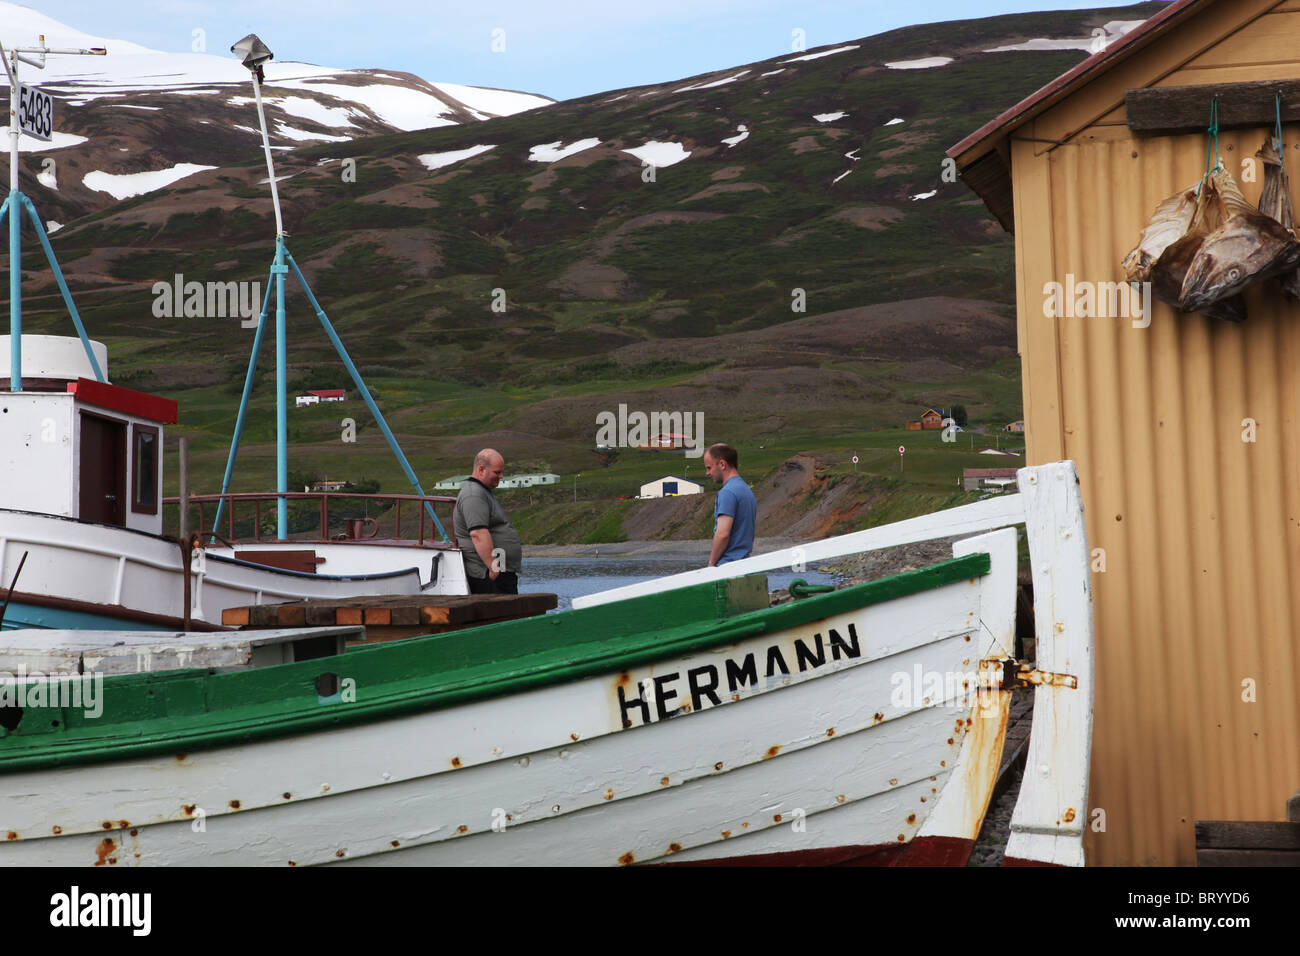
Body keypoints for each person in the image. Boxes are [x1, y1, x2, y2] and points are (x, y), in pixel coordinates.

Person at [453, 448, 523, 594]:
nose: (501, 476)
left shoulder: (482, 491)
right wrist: (493, 566)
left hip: (499, 572)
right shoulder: (473, 494)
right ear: (481, 469)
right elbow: (477, 533)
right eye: (497, 472)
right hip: (489, 575)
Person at [703, 442, 757, 567]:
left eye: (709, 467)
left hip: (727, 566)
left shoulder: (727, 492)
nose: (707, 473)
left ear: (722, 464)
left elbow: (723, 534)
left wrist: (711, 564)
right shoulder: (746, 490)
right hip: (744, 564)